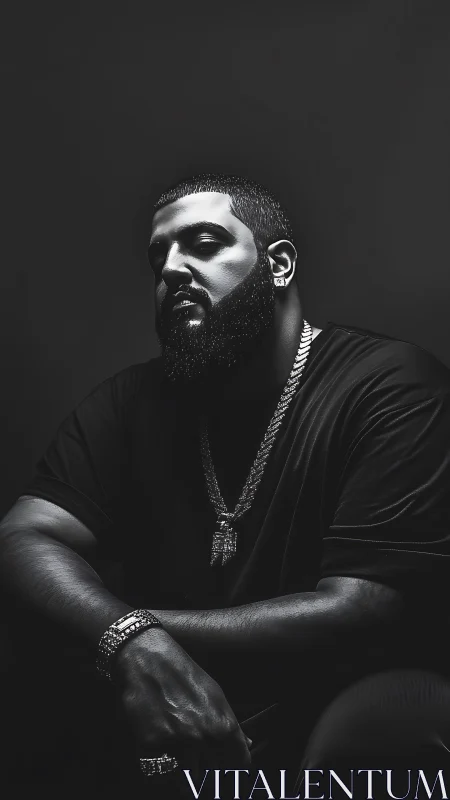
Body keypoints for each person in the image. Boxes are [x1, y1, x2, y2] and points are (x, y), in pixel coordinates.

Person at [2, 174, 450, 799]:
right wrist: (131, 645)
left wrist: (129, 633)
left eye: (204, 243)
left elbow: (366, 608)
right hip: (165, 725)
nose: (174, 269)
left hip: (321, 719)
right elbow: (24, 534)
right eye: (159, 256)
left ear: (280, 265)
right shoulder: (131, 401)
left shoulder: (389, 387)